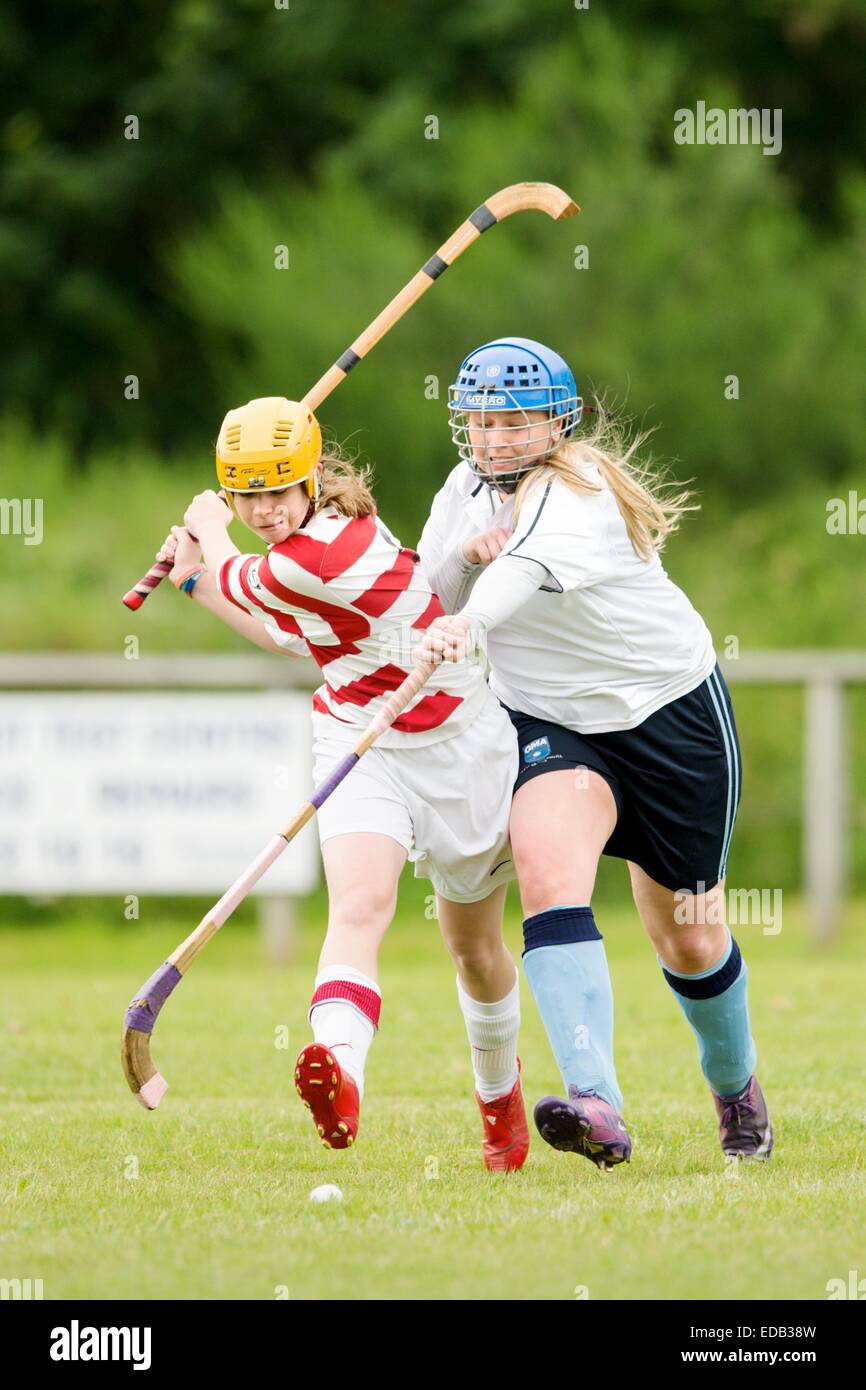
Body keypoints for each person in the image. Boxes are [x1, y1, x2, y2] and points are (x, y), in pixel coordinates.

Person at [417, 337, 772, 1170]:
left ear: (555, 423)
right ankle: (595, 1103)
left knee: (687, 934)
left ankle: (737, 1090)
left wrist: (474, 616)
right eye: (481, 421)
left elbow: (525, 570)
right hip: (552, 721)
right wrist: (457, 569)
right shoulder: (465, 489)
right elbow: (424, 590)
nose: (494, 438)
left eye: (514, 421)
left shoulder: (576, 491)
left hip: (668, 713)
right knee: (546, 873)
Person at [157, 395, 528, 1170]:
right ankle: (341, 1075)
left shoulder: (332, 551)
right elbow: (289, 639)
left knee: (477, 949)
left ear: (310, 482)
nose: (261, 511)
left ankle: (500, 1102)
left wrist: (207, 530)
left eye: (275, 491)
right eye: (244, 494)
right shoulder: (294, 558)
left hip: (460, 743)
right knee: (359, 906)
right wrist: (195, 580)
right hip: (361, 739)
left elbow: (250, 576)